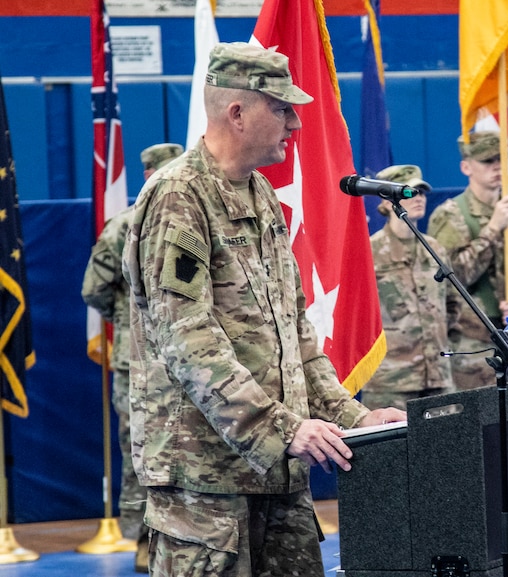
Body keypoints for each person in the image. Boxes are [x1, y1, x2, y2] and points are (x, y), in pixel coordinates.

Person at [122, 42, 405, 577]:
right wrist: (281, 427)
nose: (295, 123)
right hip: (206, 483)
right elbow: (186, 338)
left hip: (277, 471)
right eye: (281, 109)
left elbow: (295, 334)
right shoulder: (178, 195)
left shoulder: (263, 198)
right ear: (237, 112)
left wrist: (352, 417)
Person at [81, 141, 183, 573]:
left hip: (183, 361)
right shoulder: (122, 227)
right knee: (143, 449)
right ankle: (145, 539)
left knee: (172, 450)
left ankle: (174, 537)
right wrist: (126, 320)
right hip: (138, 363)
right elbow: (94, 288)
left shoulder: (186, 218)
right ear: (148, 175)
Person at [427, 131, 508, 390]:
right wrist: (493, 230)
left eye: (500, 159)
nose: (496, 167)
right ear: (466, 166)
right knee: (477, 426)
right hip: (471, 348)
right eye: (487, 161)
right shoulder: (450, 216)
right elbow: (451, 279)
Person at [361, 164, 460, 410]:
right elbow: (359, 317)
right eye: (410, 192)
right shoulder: (368, 253)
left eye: (422, 193)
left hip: (438, 378)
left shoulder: (434, 249)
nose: (419, 198)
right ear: (385, 203)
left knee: (449, 446)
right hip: (390, 383)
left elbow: (452, 304)